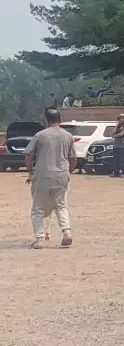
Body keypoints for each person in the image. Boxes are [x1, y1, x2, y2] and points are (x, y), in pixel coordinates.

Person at [24, 107, 76, 249]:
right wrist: (68, 172)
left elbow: (28, 156)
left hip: (43, 176)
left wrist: (31, 173)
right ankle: (66, 233)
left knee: (38, 208)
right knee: (61, 206)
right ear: (60, 119)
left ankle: (40, 238)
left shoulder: (40, 135)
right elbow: (73, 159)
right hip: (62, 176)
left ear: (46, 120)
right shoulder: (68, 136)